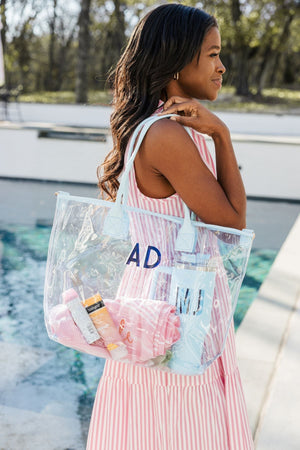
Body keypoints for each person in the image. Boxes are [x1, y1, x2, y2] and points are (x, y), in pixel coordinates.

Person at [87, 4, 254, 449]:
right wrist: (222, 134)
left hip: (156, 292)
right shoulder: (167, 135)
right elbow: (232, 223)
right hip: (177, 303)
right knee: (181, 423)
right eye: (213, 54)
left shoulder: (168, 126)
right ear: (179, 61)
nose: (222, 66)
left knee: (156, 421)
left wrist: (211, 131)